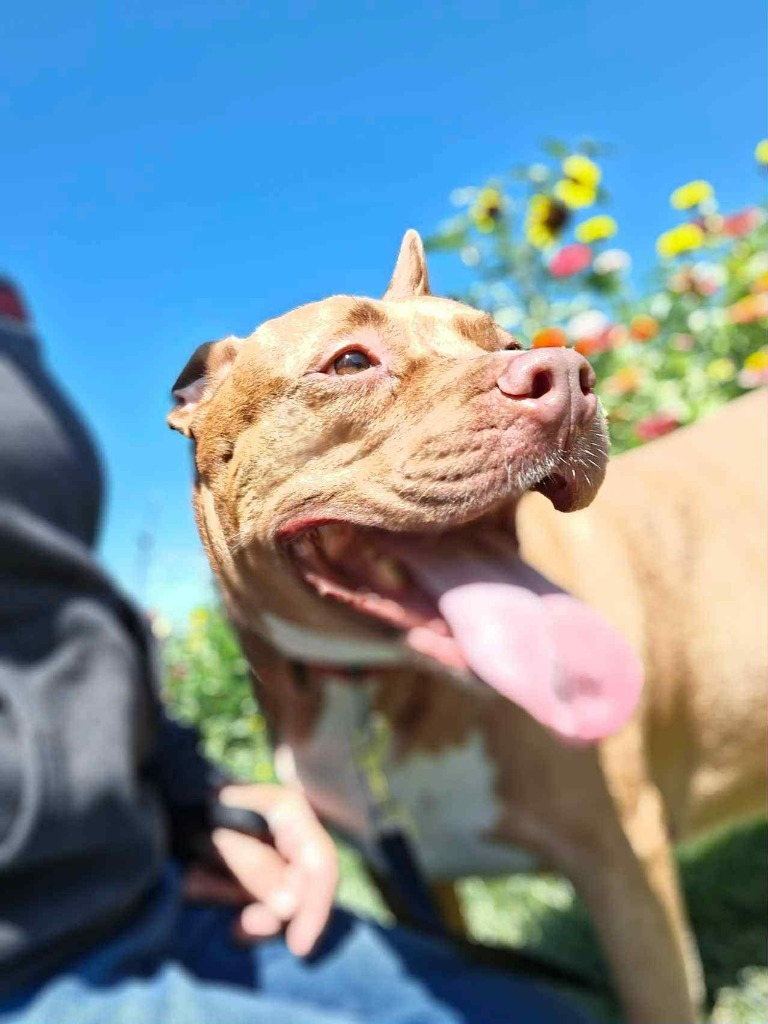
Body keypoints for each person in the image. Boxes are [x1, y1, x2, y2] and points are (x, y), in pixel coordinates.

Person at [0, 278, 590, 1024]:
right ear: (198, 403)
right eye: (349, 362)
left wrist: (194, 792)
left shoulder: (10, 318)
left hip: (154, 893)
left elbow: (49, 601)